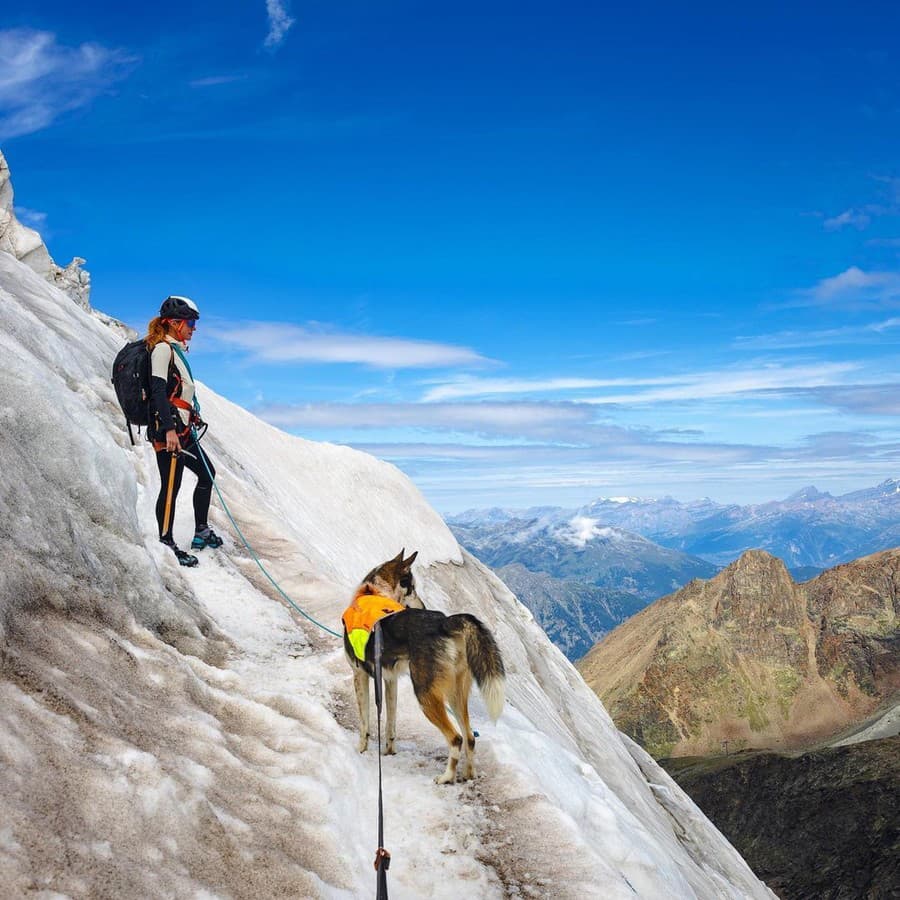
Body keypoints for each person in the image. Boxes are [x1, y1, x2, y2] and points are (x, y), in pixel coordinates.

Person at [145, 295, 223, 567]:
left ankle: (200, 529)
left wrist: (193, 414)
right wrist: (167, 430)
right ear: (175, 323)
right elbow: (156, 391)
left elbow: (179, 391)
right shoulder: (162, 350)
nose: (194, 328)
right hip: (169, 433)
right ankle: (166, 543)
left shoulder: (175, 350)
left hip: (182, 429)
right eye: (190, 322)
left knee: (207, 474)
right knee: (171, 486)